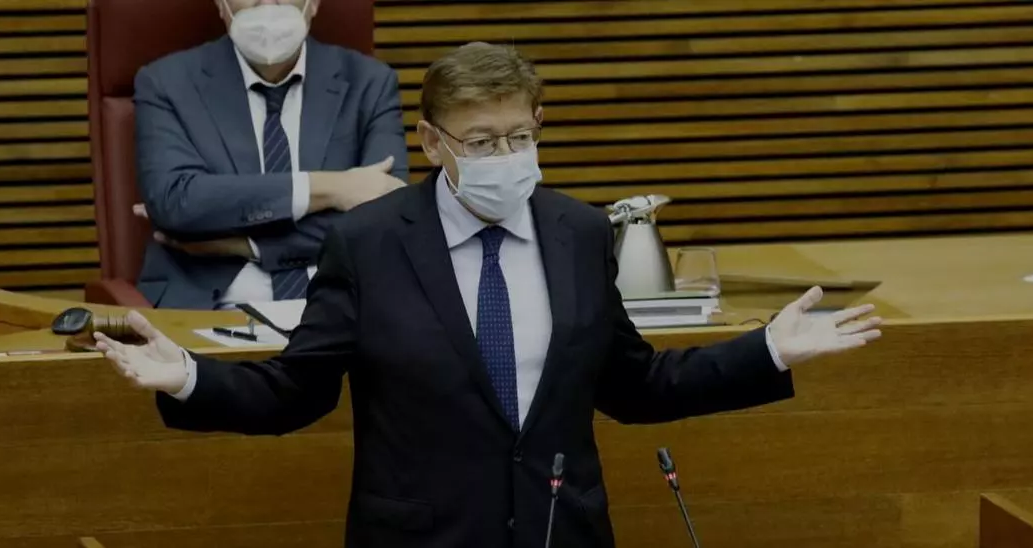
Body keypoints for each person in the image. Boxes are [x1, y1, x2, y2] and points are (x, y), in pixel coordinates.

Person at [96, 43, 883, 547]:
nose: (506, 156)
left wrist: (767, 351)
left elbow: (634, 386)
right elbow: (297, 391)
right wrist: (189, 377)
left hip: (560, 528)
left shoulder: (578, 232)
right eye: (480, 142)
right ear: (431, 142)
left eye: (520, 136)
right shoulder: (369, 243)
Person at [131, 0, 408, 309]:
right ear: (221, 5)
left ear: (314, 4)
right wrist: (330, 188)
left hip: (343, 310)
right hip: (210, 313)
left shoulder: (369, 82)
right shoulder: (165, 83)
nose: (267, 3)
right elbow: (177, 202)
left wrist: (245, 244)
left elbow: (388, 216)